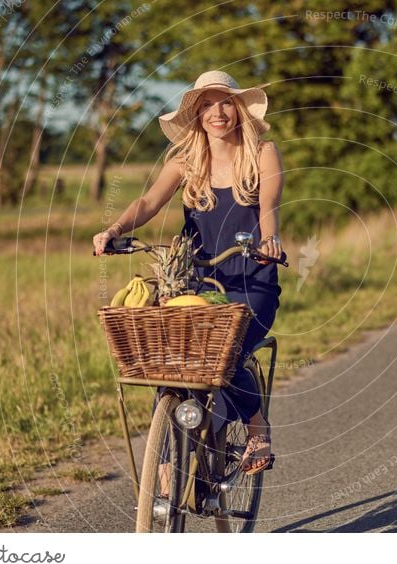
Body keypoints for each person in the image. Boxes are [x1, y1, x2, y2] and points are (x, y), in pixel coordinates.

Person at [93, 70, 284, 476]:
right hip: (195, 281)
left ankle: (255, 423)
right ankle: (167, 463)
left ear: (239, 108)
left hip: (252, 278)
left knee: (227, 355)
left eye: (226, 102)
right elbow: (148, 203)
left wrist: (269, 239)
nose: (218, 112)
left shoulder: (262, 153)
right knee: (169, 361)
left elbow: (268, 205)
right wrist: (114, 229)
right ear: (196, 114)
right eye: (207, 105)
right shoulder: (185, 163)